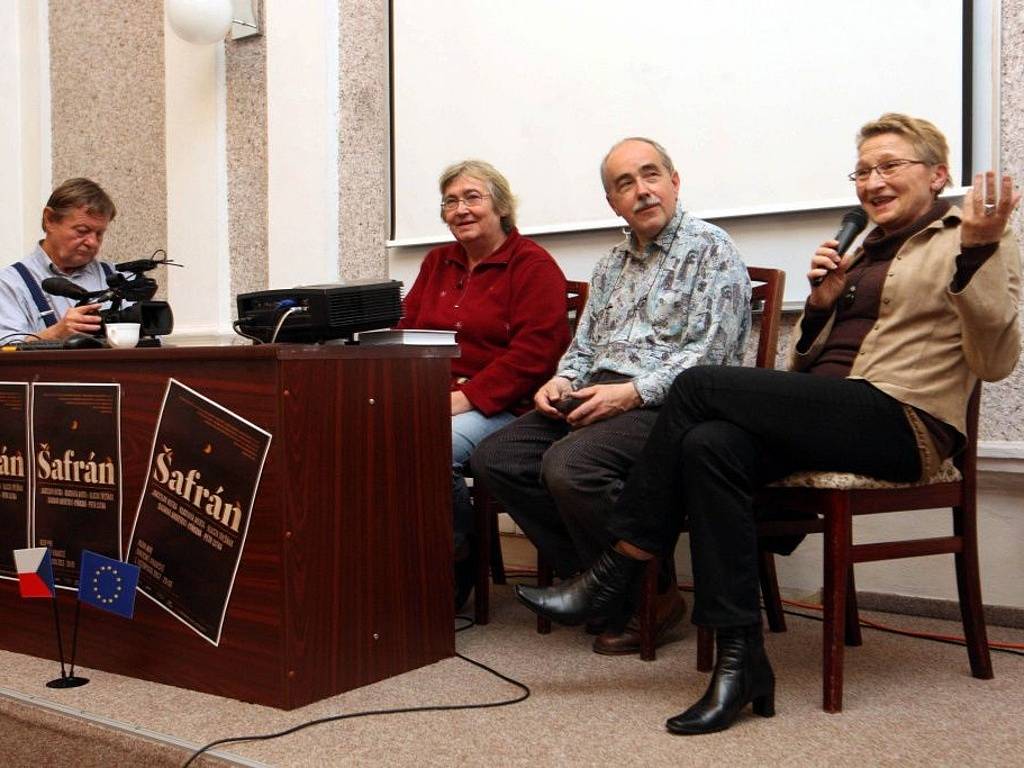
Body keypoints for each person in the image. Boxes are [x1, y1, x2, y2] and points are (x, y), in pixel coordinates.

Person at [514, 114, 1021, 734]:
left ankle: (619, 565)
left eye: (889, 166)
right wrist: (820, 310)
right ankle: (742, 663)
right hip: (833, 413)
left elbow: (996, 361)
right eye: (863, 171)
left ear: (938, 175)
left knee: (698, 386)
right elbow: (805, 365)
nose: (873, 182)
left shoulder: (973, 238)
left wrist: (976, 255)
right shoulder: (862, 248)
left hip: (903, 421)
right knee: (709, 444)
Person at [471, 138, 751, 654]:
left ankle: (653, 597)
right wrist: (562, 380)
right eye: (625, 184)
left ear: (674, 182)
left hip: (671, 405)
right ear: (613, 202)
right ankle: (599, 580)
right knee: (497, 458)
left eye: (650, 175)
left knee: (569, 465)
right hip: (597, 393)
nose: (642, 191)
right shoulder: (610, 266)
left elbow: (711, 357)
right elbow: (583, 348)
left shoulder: (713, 249)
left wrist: (631, 393)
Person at [398, 160, 570, 612]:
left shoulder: (533, 265)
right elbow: (406, 331)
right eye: (450, 201)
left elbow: (535, 356)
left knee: (430, 445)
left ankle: (455, 557)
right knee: (363, 434)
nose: (460, 209)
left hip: (506, 406)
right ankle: (395, 561)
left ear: (501, 206)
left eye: (472, 197)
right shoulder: (437, 262)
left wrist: (462, 399)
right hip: (436, 397)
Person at [0, 178, 118, 341]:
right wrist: (55, 334)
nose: (92, 242)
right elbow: (6, 348)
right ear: (49, 219)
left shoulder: (118, 278)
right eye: (82, 231)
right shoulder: (11, 283)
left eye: (99, 234)